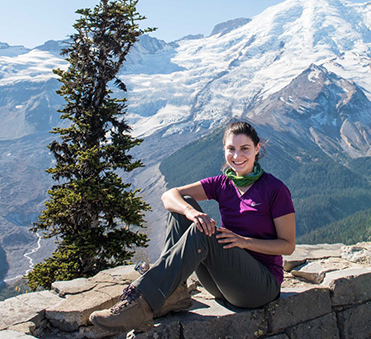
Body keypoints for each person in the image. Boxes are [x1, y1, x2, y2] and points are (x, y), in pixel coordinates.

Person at [90, 121, 296, 333]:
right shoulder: (223, 183)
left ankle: (141, 303)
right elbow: (169, 195)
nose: (237, 156)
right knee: (182, 209)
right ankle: (173, 294)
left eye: (245, 149)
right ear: (224, 149)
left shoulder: (274, 189)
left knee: (203, 231)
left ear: (257, 148)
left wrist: (244, 242)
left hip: (260, 287)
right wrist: (191, 212)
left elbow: (287, 246)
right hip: (226, 282)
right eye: (231, 149)